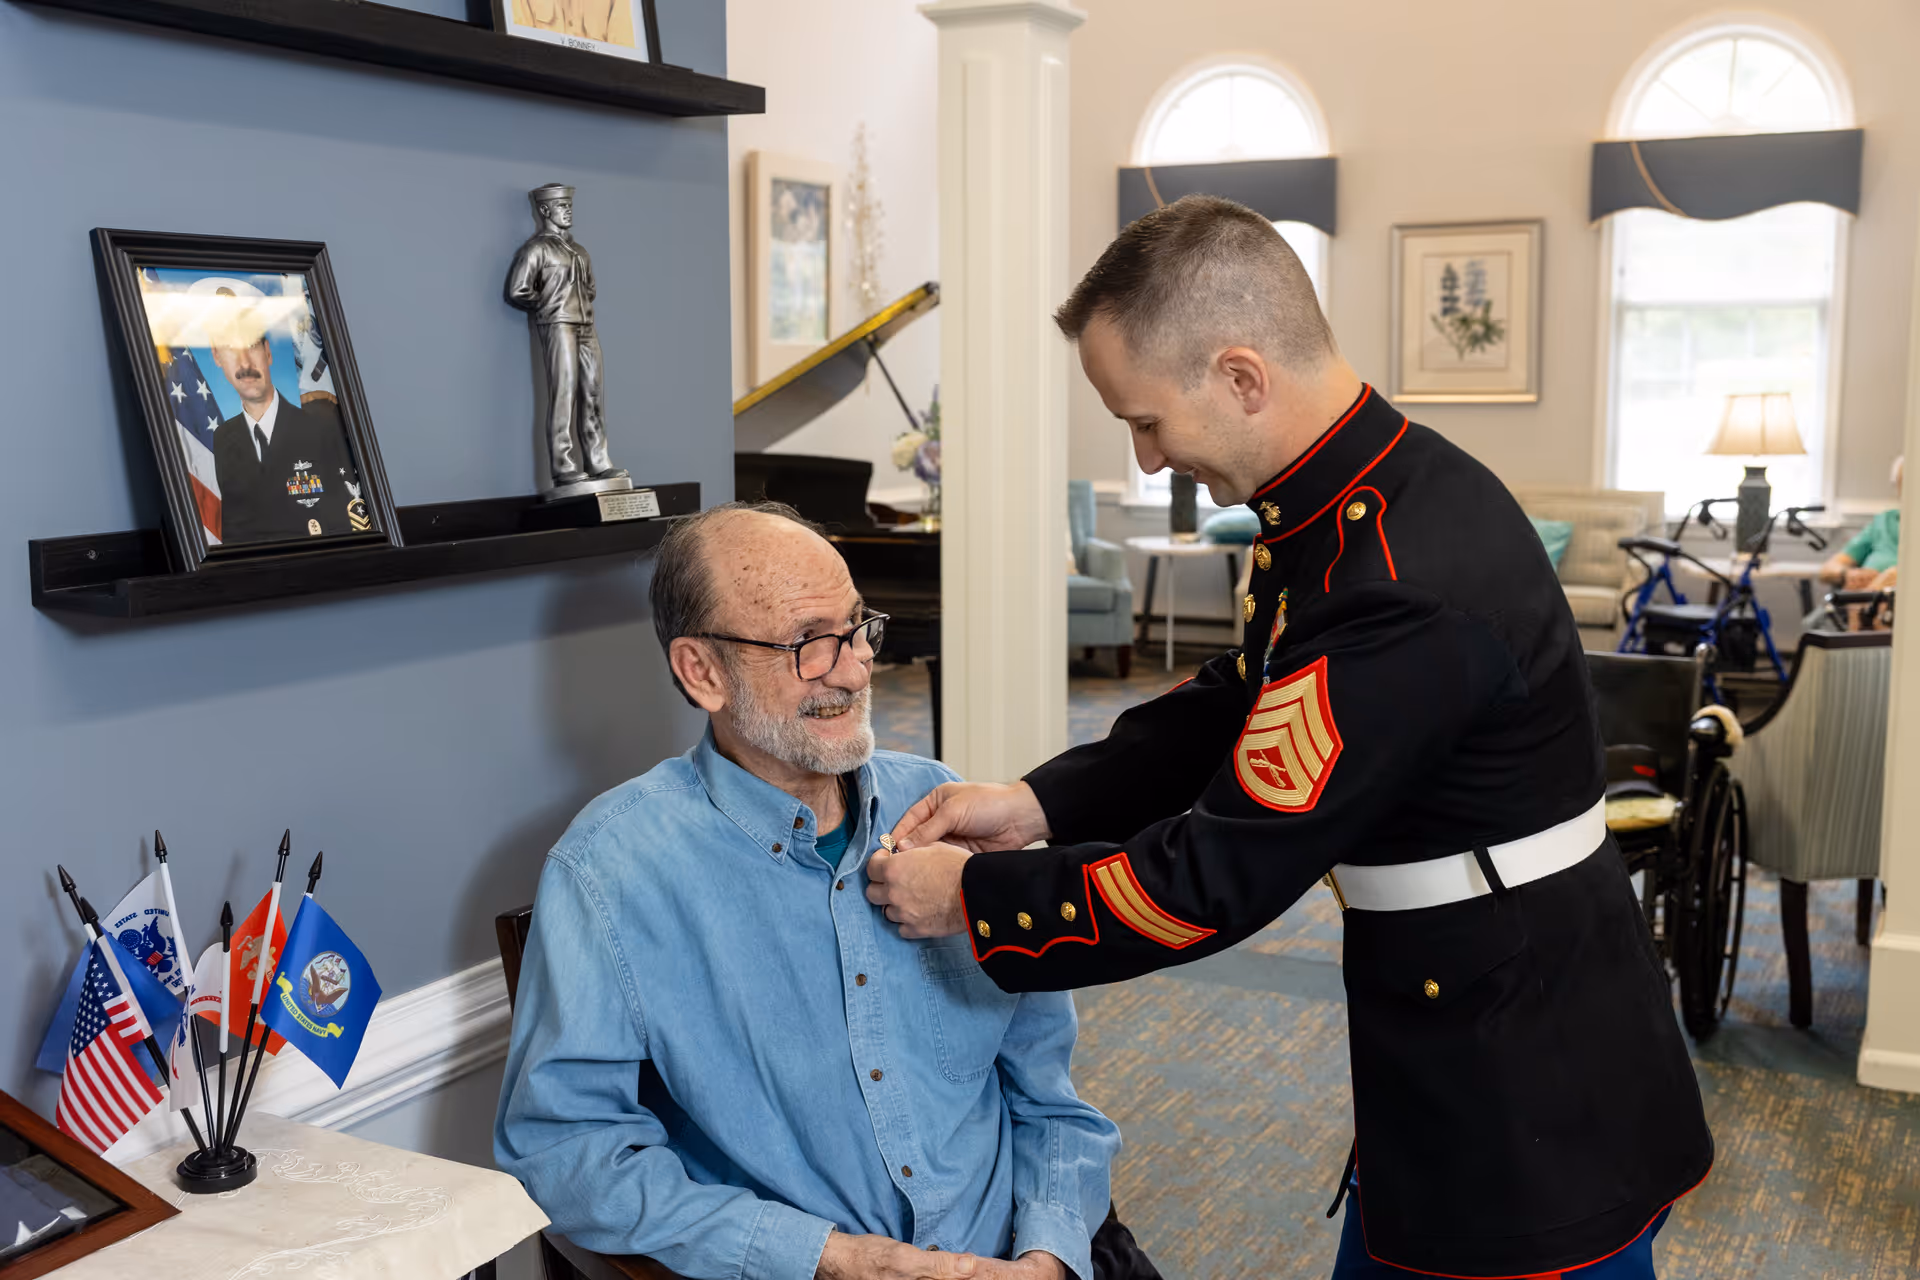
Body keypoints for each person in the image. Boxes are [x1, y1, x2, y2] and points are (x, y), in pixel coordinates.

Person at [866, 197, 1712, 1279]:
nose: (1149, 455)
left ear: (1241, 376)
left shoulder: (1402, 578)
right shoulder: (1345, 504)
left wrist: (976, 898)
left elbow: (1214, 873)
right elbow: (1244, 693)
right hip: (1449, 1025)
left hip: (1528, 1078)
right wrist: (1039, 802)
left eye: (1146, 420)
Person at [495, 503, 1157, 1280]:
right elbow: (568, 1150)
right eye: (807, 643)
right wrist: (835, 1261)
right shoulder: (612, 871)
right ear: (702, 672)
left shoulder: (944, 809)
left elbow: (1048, 1096)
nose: (852, 667)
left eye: (855, 628)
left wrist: (1047, 1254)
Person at [205, 295, 363, 544]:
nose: (245, 362)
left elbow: (349, 521)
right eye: (231, 349)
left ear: (268, 352)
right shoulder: (222, 438)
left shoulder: (321, 425)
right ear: (216, 357)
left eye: (252, 346)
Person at [505, 183, 630, 492]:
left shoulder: (580, 251)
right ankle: (564, 466)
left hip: (586, 325)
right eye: (561, 206)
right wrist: (549, 305)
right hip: (558, 324)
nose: (568, 210)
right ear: (545, 210)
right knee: (564, 394)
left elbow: (590, 288)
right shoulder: (537, 249)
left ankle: (598, 462)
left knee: (592, 394)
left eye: (569, 205)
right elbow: (518, 289)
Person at [1819, 454, 1901, 596]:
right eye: (1901, 484)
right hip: (1860, 598)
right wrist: (1849, 574)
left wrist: (1893, 577)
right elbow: (1828, 569)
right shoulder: (1883, 521)